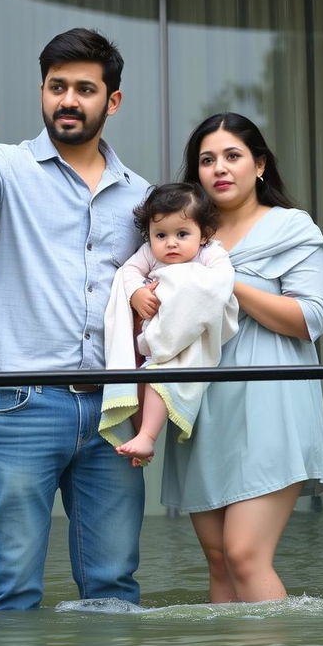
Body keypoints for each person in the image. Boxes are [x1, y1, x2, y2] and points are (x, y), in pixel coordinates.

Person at [0, 28, 149, 611]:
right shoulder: (3, 166)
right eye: (56, 87)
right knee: (13, 585)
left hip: (114, 410)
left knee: (113, 586)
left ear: (112, 101)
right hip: (20, 401)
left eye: (84, 89)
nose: (67, 100)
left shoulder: (142, 198)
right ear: (43, 91)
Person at [161, 113, 323, 604]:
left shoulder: (291, 227)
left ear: (259, 165)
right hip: (202, 408)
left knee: (244, 555)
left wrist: (224, 282)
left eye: (233, 156)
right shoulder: (186, 236)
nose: (220, 168)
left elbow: (308, 319)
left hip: (270, 404)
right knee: (217, 561)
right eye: (207, 160)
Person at [99, 182, 238, 463]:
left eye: (182, 234)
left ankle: (148, 437)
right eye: (160, 234)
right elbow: (128, 272)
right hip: (154, 334)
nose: (170, 242)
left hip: (189, 337)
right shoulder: (149, 253)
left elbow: (219, 285)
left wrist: (180, 288)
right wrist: (137, 292)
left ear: (204, 235)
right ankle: (139, 437)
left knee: (160, 378)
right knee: (140, 380)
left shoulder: (211, 253)